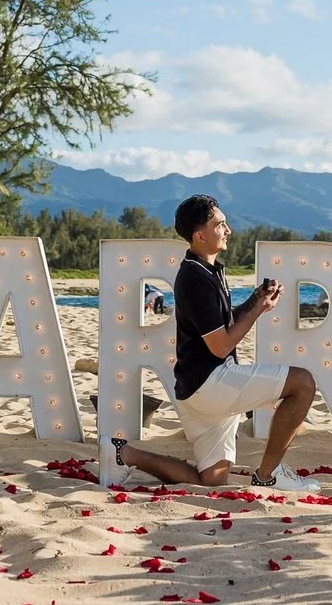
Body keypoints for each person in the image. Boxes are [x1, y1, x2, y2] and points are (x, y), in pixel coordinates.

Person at [106, 194, 321, 493]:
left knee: (212, 482)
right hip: (212, 383)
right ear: (200, 235)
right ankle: (269, 474)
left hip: (196, 389)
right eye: (220, 224)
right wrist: (258, 311)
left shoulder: (204, 270)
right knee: (304, 383)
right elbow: (220, 346)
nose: (228, 229)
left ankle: (123, 454)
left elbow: (217, 324)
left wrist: (255, 301)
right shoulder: (196, 278)